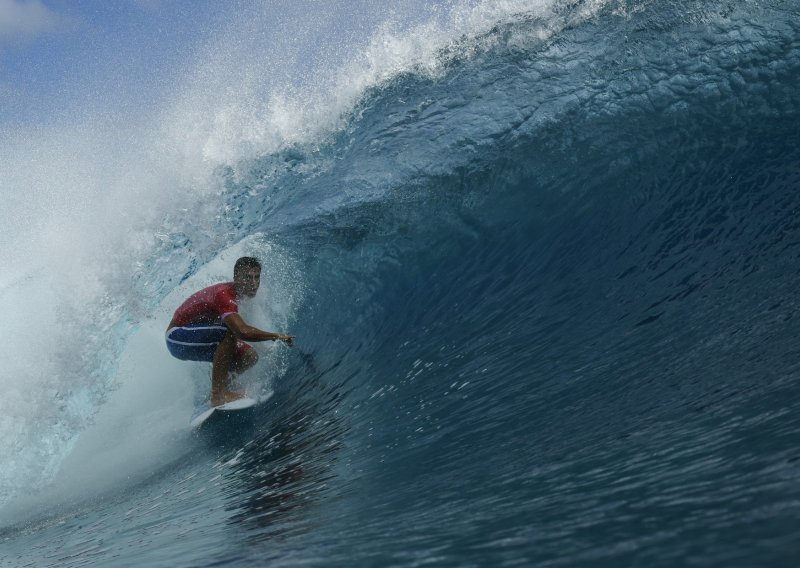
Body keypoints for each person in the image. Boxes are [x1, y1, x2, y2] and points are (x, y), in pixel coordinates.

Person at [165, 256, 294, 406]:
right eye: (248, 277)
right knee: (230, 333)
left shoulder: (240, 296)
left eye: (256, 277)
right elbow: (242, 331)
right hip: (177, 337)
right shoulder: (224, 295)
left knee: (250, 356)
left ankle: (224, 386)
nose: (253, 283)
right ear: (236, 278)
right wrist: (275, 336)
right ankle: (218, 394)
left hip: (196, 337)